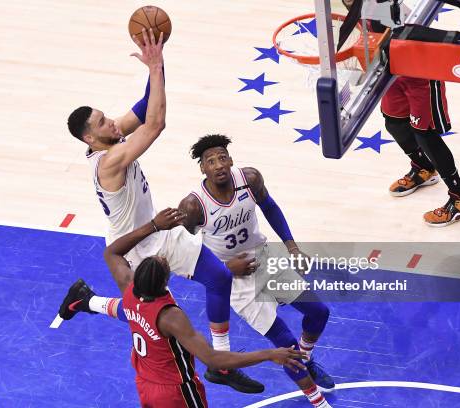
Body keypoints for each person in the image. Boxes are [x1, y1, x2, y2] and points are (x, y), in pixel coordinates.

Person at [63, 28, 262, 392]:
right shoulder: (109, 162)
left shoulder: (110, 135)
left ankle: (220, 363)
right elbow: (155, 124)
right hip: (133, 247)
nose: (113, 122)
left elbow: (143, 106)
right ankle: (87, 300)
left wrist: (157, 61)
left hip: (159, 230)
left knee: (218, 278)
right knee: (148, 317)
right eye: (104, 122)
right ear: (91, 139)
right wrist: (154, 68)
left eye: (107, 117)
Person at [63, 209, 314, 408]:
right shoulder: (171, 317)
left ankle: (85, 301)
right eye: (164, 263)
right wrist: (269, 354)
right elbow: (213, 359)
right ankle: (85, 301)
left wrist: (154, 226)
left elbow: (111, 252)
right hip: (176, 392)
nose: (165, 258)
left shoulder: (129, 291)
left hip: (145, 385)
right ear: (165, 282)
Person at [177, 134, 334, 402]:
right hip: (236, 281)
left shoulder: (249, 179)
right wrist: (226, 269)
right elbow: (182, 251)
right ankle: (316, 400)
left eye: (222, 158)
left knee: (319, 312)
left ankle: (306, 360)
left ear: (231, 161)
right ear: (202, 168)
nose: (218, 165)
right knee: (286, 344)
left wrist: (292, 248)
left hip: (264, 259)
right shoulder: (193, 205)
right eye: (210, 161)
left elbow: (270, 207)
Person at [342, 0, 460, 226]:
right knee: (394, 123)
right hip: (391, 69)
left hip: (420, 73)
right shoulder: (348, 7)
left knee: (425, 135)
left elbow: (405, 31)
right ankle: (424, 168)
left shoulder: (384, 5)